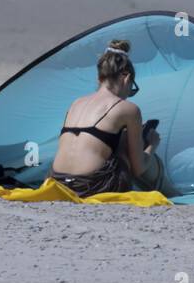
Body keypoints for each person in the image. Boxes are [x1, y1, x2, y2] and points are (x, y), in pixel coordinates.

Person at [48, 39, 163, 197]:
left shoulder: (76, 103)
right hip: (91, 186)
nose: (129, 94)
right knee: (131, 149)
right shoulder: (128, 109)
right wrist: (153, 145)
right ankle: (175, 193)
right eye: (132, 89)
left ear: (99, 79)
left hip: (57, 183)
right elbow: (138, 168)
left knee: (115, 140)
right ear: (126, 78)